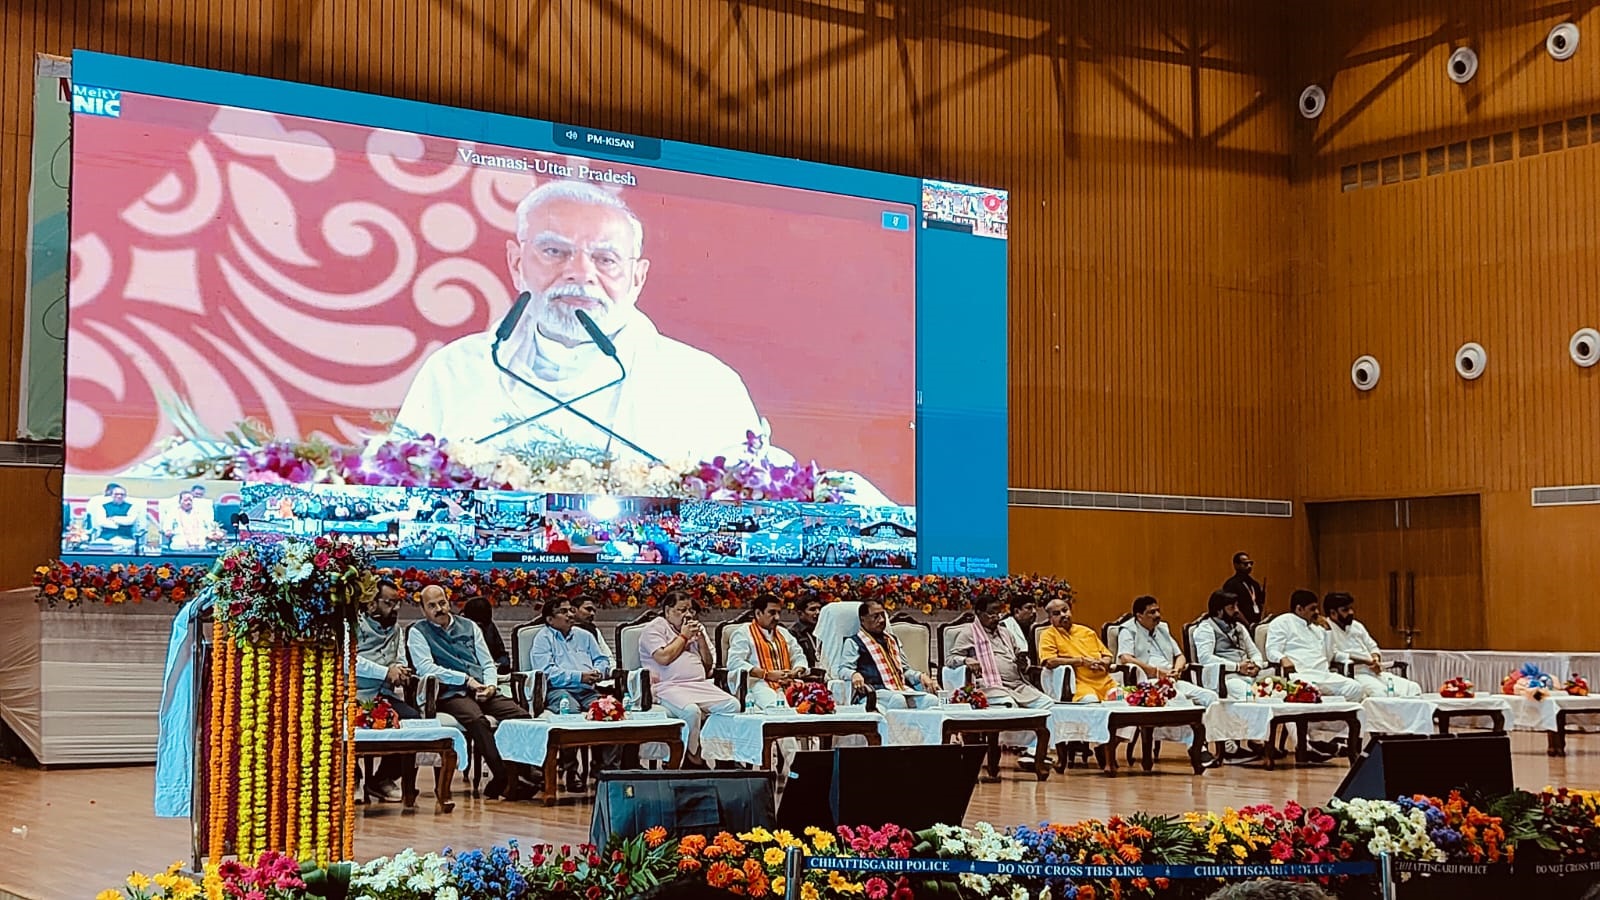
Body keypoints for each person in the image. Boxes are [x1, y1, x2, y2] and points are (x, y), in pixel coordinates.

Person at [395, 181, 775, 469]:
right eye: (554, 252)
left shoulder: (705, 384)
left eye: (606, 259)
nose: (580, 273)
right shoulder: (455, 371)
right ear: (517, 263)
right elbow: (400, 488)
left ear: (637, 278)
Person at [406, 585, 532, 800]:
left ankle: (523, 774)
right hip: (450, 692)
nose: (439, 609)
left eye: (442, 603)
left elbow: (487, 663)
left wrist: (491, 686)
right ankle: (502, 776)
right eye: (432, 606)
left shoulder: (469, 626)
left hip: (482, 688)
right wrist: (465, 680)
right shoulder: (417, 632)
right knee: (476, 719)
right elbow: (426, 668)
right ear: (423, 610)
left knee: (520, 716)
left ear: (449, 602)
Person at [944, 595, 1055, 767]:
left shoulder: (1006, 632)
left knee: (1047, 705)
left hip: (1017, 685)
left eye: (998, 612)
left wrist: (1023, 662)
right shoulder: (968, 634)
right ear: (979, 613)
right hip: (990, 686)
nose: (996, 617)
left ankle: (1032, 751)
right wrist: (966, 660)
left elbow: (1019, 656)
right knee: (1009, 705)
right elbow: (950, 659)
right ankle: (1012, 746)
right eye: (991, 613)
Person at [638, 591, 740, 765]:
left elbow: (708, 667)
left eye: (690, 610)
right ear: (668, 611)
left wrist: (701, 642)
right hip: (667, 686)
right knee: (691, 711)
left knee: (732, 706)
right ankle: (689, 757)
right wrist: (684, 637)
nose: (688, 615)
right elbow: (664, 658)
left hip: (699, 685)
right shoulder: (654, 628)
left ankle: (714, 751)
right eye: (682, 610)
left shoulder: (695, 628)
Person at [354, 578, 417, 802]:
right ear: (372, 603)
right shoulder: (353, 624)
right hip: (356, 693)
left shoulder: (396, 630)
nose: (396, 608)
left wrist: (401, 670)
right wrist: (385, 672)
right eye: (389, 603)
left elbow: (399, 658)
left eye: (397, 602)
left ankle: (382, 779)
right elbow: (351, 661)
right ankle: (353, 778)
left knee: (413, 721)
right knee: (348, 723)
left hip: (385, 695)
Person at [1264, 590, 1368, 703]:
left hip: (1324, 676)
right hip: (1301, 675)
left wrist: (1328, 630)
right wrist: (1283, 659)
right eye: (1312, 609)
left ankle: (1328, 709)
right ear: (1299, 609)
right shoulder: (1283, 622)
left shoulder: (1317, 628)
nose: (1317, 612)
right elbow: (1272, 650)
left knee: (1356, 689)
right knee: (1309, 693)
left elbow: (1329, 656)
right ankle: (1326, 705)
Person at [840, 599, 938, 709]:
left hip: (900, 689)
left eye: (883, 615)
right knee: (898, 700)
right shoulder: (853, 642)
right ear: (863, 620)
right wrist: (853, 674)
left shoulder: (892, 640)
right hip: (874, 693)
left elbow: (904, 670)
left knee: (931, 701)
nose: (882, 620)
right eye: (875, 616)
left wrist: (920, 676)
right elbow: (843, 669)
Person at [1323, 592, 1421, 697]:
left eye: (1351, 608)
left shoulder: (1357, 625)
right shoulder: (1326, 629)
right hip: (1354, 674)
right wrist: (1366, 661)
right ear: (1333, 613)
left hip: (1374, 671)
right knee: (1380, 693)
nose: (1351, 612)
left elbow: (1372, 646)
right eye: (1345, 610)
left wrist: (1375, 659)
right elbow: (1335, 655)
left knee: (1412, 688)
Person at [725, 593, 810, 709]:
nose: (777, 618)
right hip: (759, 684)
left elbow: (798, 655)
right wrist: (766, 674)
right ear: (758, 613)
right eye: (772, 613)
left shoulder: (783, 633)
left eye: (779, 613)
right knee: (777, 708)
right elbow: (734, 662)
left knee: (813, 704)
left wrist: (796, 670)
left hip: (788, 682)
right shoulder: (743, 633)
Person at [1192, 590, 1268, 700]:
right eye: (1232, 607)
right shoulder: (1206, 628)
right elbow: (1205, 658)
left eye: (1237, 606)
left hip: (1249, 674)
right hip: (1227, 677)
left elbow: (1254, 652)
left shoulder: (1239, 627)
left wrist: (1256, 665)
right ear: (1219, 611)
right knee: (1252, 696)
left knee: (1277, 689)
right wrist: (1237, 667)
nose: (1237, 610)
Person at [1037, 598, 1117, 702]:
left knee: (1124, 699)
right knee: (1090, 701)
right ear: (1050, 619)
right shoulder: (1048, 635)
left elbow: (1107, 655)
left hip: (1105, 682)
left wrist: (1103, 662)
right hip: (1079, 684)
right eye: (1056, 614)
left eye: (1065, 610)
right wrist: (1081, 661)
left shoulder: (1087, 632)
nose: (1063, 615)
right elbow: (1049, 661)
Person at [459, 596, 512, 675]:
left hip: (493, 669)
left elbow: (501, 653)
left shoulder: (490, 626)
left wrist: (499, 664)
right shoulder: (460, 628)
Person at [1223, 552, 1267, 627]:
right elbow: (1233, 608)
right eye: (1245, 564)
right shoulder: (1231, 585)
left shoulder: (1255, 584)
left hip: (1256, 623)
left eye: (1251, 563)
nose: (1249, 566)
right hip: (1240, 625)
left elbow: (1260, 604)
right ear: (1236, 565)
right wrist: (1248, 625)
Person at [572, 592, 615, 664]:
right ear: (574, 610)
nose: (592, 614)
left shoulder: (594, 630)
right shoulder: (563, 630)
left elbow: (607, 656)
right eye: (588, 609)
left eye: (594, 611)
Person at [1000, 595, 1040, 663]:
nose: (1034, 611)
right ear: (1017, 611)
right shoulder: (1003, 627)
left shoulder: (1036, 627)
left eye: (1035, 607)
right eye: (1029, 608)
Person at [789, 596, 824, 668]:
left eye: (819, 609)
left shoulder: (824, 630)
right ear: (800, 613)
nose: (818, 612)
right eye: (812, 609)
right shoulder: (792, 633)